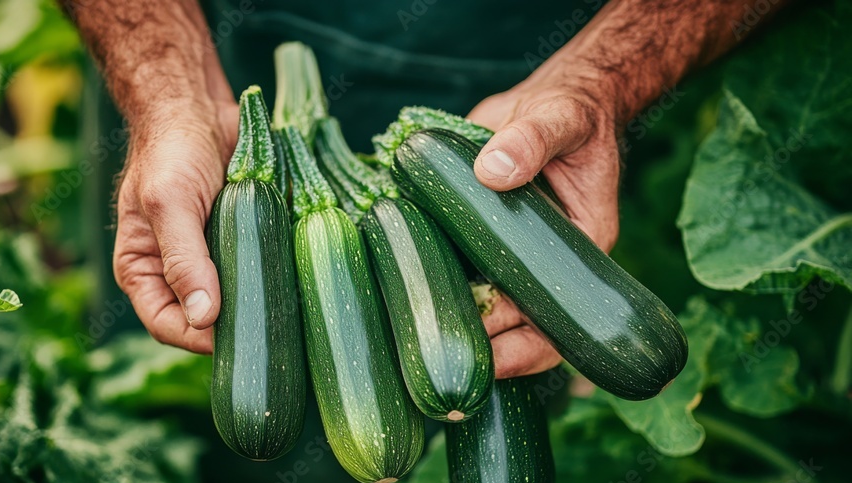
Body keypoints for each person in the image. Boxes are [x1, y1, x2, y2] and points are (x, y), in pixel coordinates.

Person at [61, 0, 787, 379]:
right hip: (200, 41)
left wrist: (606, 79)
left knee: (493, 353)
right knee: (209, 368)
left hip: (536, 55)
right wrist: (167, 94)